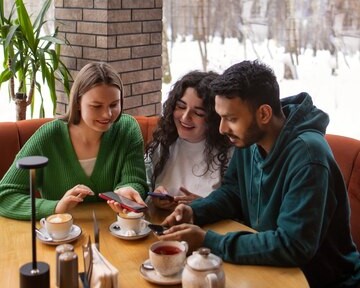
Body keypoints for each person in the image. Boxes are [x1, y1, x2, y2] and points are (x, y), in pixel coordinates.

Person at [159, 60, 360, 287]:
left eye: (231, 119)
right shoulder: (250, 141)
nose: (222, 129)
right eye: (220, 117)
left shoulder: (309, 157)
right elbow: (233, 192)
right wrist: (194, 212)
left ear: (264, 113)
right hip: (265, 271)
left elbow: (293, 245)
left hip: (322, 281)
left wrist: (208, 241)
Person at [0, 62, 148, 220]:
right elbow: (5, 196)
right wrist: (55, 207)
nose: (107, 114)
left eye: (114, 104)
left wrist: (128, 190)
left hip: (115, 235)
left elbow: (136, 181)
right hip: (60, 238)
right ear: (77, 103)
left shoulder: (127, 129)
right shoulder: (49, 136)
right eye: (96, 106)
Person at [145, 70, 233, 210]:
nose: (185, 117)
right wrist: (154, 199)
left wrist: (205, 206)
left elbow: (237, 206)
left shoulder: (230, 153)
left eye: (198, 113)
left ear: (215, 118)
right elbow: (142, 193)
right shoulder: (163, 145)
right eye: (181, 106)